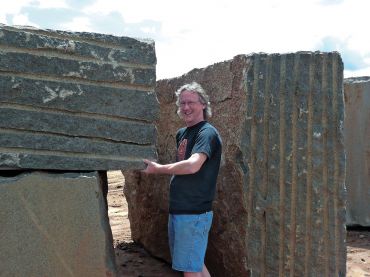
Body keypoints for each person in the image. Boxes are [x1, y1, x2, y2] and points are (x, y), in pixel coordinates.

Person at [142, 82, 222, 277]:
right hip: (180, 210)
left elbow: (193, 165)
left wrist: (160, 169)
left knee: (189, 270)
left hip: (194, 213)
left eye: (191, 102)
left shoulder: (207, 133)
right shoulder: (182, 134)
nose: (186, 107)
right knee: (194, 264)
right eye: (182, 103)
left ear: (203, 104)